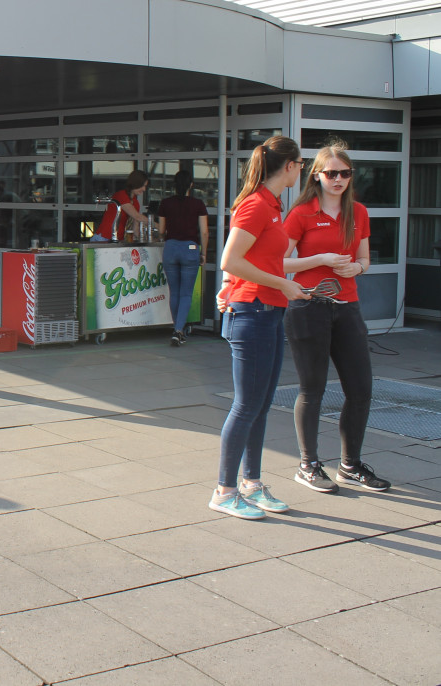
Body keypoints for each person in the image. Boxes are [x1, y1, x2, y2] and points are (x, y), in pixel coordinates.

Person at [212, 135, 310, 520]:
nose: (302, 170)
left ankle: (250, 483)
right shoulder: (256, 206)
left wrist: (299, 272)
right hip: (252, 313)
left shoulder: (272, 205)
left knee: (261, 404)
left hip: (266, 311)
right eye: (300, 164)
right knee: (246, 405)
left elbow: (264, 261)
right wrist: (282, 284)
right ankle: (224, 490)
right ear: (288, 167)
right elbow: (230, 260)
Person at [285, 141, 391, 493]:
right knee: (311, 389)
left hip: (347, 307)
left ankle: (350, 465)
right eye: (331, 173)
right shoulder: (301, 214)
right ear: (316, 175)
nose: (339, 179)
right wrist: (322, 260)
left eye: (345, 173)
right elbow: (278, 263)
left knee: (361, 389)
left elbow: (364, 259)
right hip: (308, 307)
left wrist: (355, 267)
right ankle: (308, 465)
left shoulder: (358, 212)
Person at [157, 170, 209, 346]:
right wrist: (204, 253)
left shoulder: (165, 203)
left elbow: (162, 231)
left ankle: (177, 329)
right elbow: (204, 231)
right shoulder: (198, 204)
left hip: (171, 248)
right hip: (190, 248)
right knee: (186, 293)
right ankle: (179, 330)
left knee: (174, 292)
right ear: (191, 185)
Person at [92, 170, 150, 242]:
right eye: (142, 186)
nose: (144, 189)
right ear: (135, 183)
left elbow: (135, 229)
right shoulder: (121, 195)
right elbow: (137, 216)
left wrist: (146, 239)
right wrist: (157, 226)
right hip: (104, 237)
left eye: (145, 186)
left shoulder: (135, 203)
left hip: (118, 239)